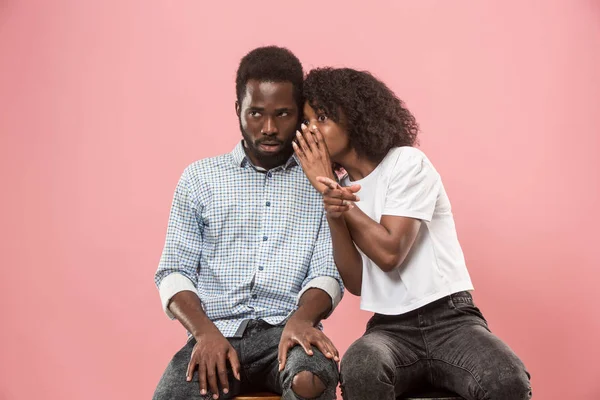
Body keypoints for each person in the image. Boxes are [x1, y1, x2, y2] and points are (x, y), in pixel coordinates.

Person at [293, 67, 532, 400]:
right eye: (306, 122)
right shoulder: (342, 189)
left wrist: (338, 200)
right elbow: (359, 283)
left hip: (451, 319)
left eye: (322, 117)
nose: (312, 131)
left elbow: (390, 254)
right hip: (390, 328)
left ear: (356, 116)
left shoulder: (407, 163)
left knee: (505, 379)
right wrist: (331, 203)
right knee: (360, 367)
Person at [153, 48, 354, 400]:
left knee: (312, 378)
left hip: (288, 332)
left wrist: (302, 320)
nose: (269, 128)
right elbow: (174, 271)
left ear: (299, 113)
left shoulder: (321, 180)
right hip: (215, 335)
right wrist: (204, 334)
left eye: (282, 114)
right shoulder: (199, 179)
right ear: (238, 110)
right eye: (256, 113)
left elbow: (328, 273)